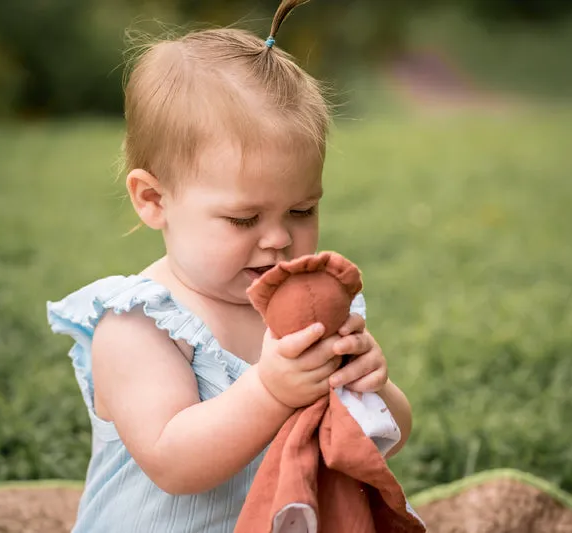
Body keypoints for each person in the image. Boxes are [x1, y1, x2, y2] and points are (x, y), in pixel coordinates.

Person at [46, 0, 413, 530]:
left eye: (302, 210)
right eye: (243, 219)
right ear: (153, 200)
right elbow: (174, 463)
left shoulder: (311, 308)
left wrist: (374, 387)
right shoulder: (138, 325)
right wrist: (269, 390)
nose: (280, 238)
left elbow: (387, 439)